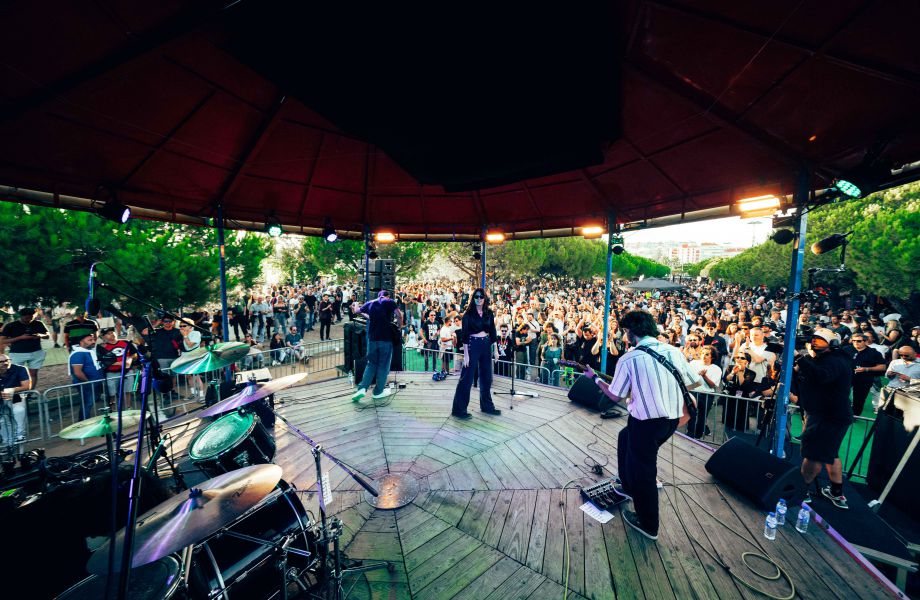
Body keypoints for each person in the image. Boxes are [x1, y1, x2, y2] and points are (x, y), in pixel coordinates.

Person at [586, 309, 702, 541]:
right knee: (624, 437)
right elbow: (694, 382)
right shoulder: (673, 351)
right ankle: (628, 487)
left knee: (644, 472)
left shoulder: (629, 358)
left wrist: (595, 379)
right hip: (669, 421)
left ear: (630, 333)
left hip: (646, 424)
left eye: (625, 331)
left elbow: (615, 395)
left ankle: (649, 525)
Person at [792, 328, 854, 509]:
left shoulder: (834, 361)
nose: (814, 341)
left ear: (832, 343)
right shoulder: (832, 359)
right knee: (830, 454)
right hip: (832, 415)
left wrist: (801, 358)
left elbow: (821, 376)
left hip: (826, 416)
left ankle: (802, 492)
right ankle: (837, 493)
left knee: (813, 455)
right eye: (813, 339)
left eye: (820, 339)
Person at [451, 288, 501, 419]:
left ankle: (487, 407)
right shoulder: (468, 315)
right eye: (476, 296)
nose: (479, 299)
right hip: (472, 345)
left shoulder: (489, 313)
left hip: (486, 344)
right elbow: (465, 335)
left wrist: (495, 349)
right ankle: (459, 410)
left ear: (485, 298)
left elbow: (493, 331)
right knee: (466, 379)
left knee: (487, 378)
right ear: (473, 298)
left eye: (481, 296)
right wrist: (466, 355)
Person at [352, 290, 403, 401]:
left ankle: (362, 389)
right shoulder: (389, 302)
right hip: (385, 339)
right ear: (387, 296)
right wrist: (399, 327)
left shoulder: (370, 303)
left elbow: (356, 311)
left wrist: (359, 307)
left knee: (371, 364)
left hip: (372, 339)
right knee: (383, 365)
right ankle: (378, 392)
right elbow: (399, 315)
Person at [1, 307, 49, 389]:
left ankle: (30, 393)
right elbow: (2, 341)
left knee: (33, 374)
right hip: (17, 353)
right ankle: (16, 393)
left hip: (36, 352)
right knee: (14, 373)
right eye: (27, 317)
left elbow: (47, 335)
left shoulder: (38, 323)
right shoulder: (11, 325)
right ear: (21, 316)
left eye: (31, 317)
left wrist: (39, 335)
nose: (29, 319)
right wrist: (20, 338)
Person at [843, 334, 886, 417]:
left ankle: (855, 415)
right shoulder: (846, 349)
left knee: (859, 399)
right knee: (841, 395)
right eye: (853, 340)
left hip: (864, 379)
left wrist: (866, 369)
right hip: (846, 377)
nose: (855, 342)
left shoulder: (873, 352)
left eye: (859, 341)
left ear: (866, 342)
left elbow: (882, 367)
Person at [98, 327, 138, 408]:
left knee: (128, 391)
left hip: (127, 371)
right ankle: (113, 410)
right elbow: (105, 362)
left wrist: (130, 359)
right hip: (111, 373)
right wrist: (124, 363)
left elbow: (134, 354)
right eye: (108, 334)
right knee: (111, 393)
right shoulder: (101, 347)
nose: (112, 334)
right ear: (103, 337)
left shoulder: (125, 342)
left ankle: (128, 408)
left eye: (112, 332)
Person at [687, 347, 721, 438]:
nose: (704, 356)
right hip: (693, 392)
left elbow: (712, 385)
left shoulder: (716, 369)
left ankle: (698, 436)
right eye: (702, 353)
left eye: (707, 354)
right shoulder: (693, 363)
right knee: (692, 414)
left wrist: (704, 376)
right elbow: (687, 377)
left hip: (707, 395)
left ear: (712, 357)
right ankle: (690, 435)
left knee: (702, 416)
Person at [69, 333, 105, 420]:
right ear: (81, 342)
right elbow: (78, 372)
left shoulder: (88, 351)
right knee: (87, 404)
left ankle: (85, 421)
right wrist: (88, 382)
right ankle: (83, 422)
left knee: (89, 403)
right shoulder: (78, 354)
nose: (93, 342)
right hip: (87, 384)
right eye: (90, 340)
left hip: (93, 383)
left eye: (93, 340)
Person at [0, 353, 32, 441]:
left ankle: (20, 434)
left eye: (7, 360)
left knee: (19, 410)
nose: (5, 363)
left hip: (16, 396)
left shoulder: (20, 369)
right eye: (1, 362)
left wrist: (11, 390)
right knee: (2, 420)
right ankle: (7, 442)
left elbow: (27, 386)